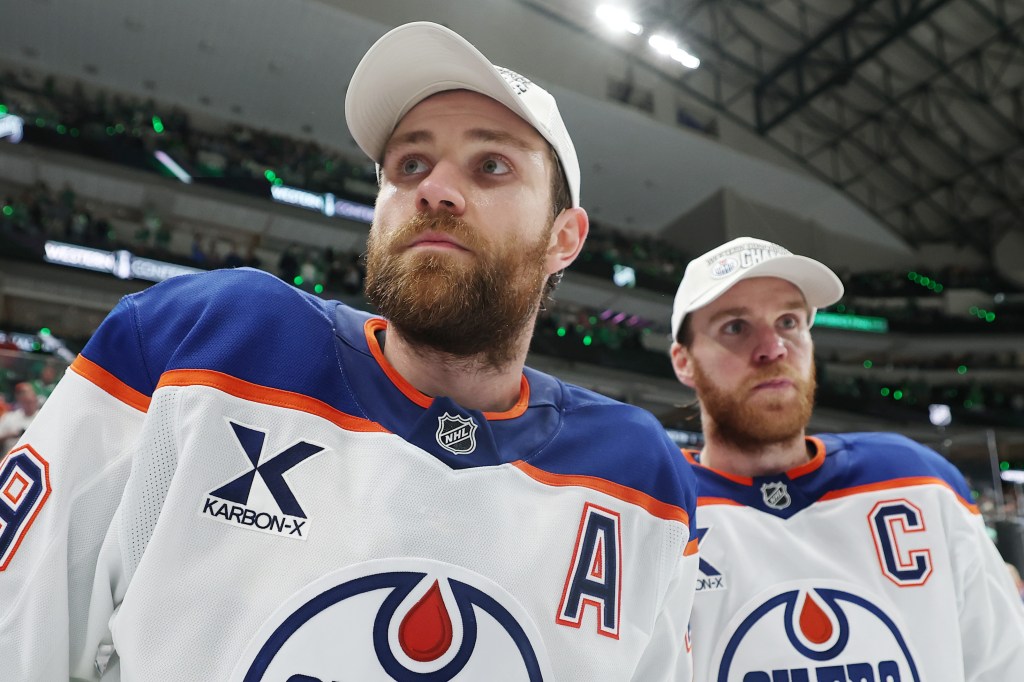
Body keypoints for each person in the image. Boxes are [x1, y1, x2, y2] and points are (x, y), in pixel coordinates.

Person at [0, 22, 698, 681]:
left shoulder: (642, 477)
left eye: (490, 166)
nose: (435, 191)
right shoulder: (204, 341)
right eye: (410, 164)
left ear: (564, 238)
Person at [668, 236, 1024, 680]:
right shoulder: (655, 510)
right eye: (735, 328)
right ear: (684, 361)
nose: (773, 347)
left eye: (789, 322)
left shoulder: (921, 483)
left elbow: (1004, 667)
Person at [0, 382, 41, 453]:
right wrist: (10, 435)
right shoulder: (10, 417)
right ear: (21, 401)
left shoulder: (41, 417)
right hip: (10, 454)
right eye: (26, 402)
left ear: (36, 401)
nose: (29, 405)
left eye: (31, 401)